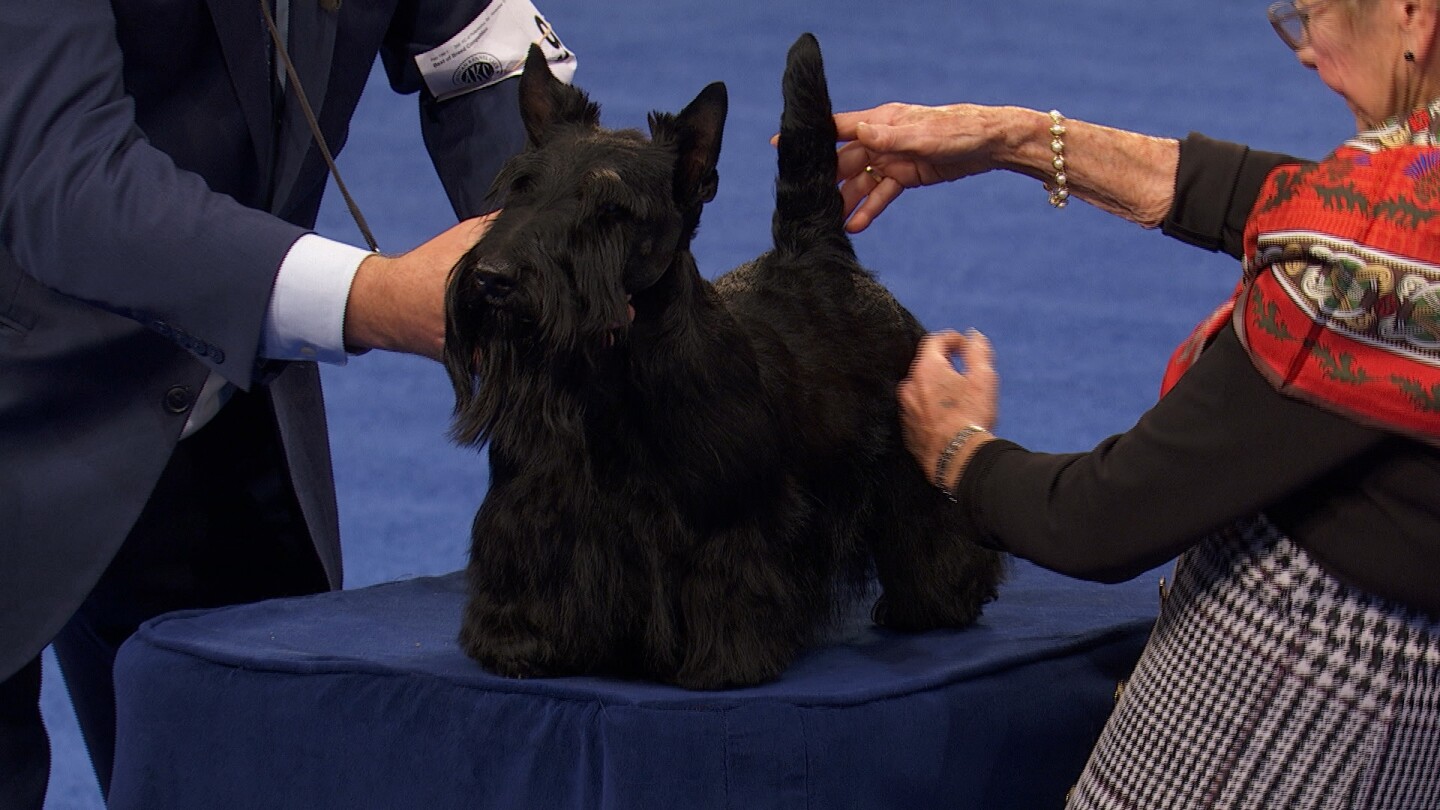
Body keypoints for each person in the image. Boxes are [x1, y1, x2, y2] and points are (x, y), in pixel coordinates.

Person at [833, 0, 1440, 807]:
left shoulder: (1365, 266)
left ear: (1412, 15)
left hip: (1297, 703)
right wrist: (1014, 138)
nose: (1306, 51)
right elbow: (1289, 200)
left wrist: (956, 449)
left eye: (1315, 13)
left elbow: (1097, 519)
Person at [0, 1, 574, 806]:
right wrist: (370, 298)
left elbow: (482, 49)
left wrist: (539, 230)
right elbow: (67, 184)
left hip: (215, 392)